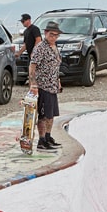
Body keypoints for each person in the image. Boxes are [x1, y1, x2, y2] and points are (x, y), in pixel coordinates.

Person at [27, 21, 63, 151]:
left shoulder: (54, 47)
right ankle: (41, 140)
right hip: (42, 86)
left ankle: (48, 137)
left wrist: (58, 80)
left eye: (56, 35)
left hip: (52, 86)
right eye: (52, 34)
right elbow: (32, 66)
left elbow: (55, 66)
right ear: (46, 33)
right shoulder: (40, 47)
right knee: (43, 115)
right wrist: (33, 84)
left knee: (51, 114)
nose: (54, 37)